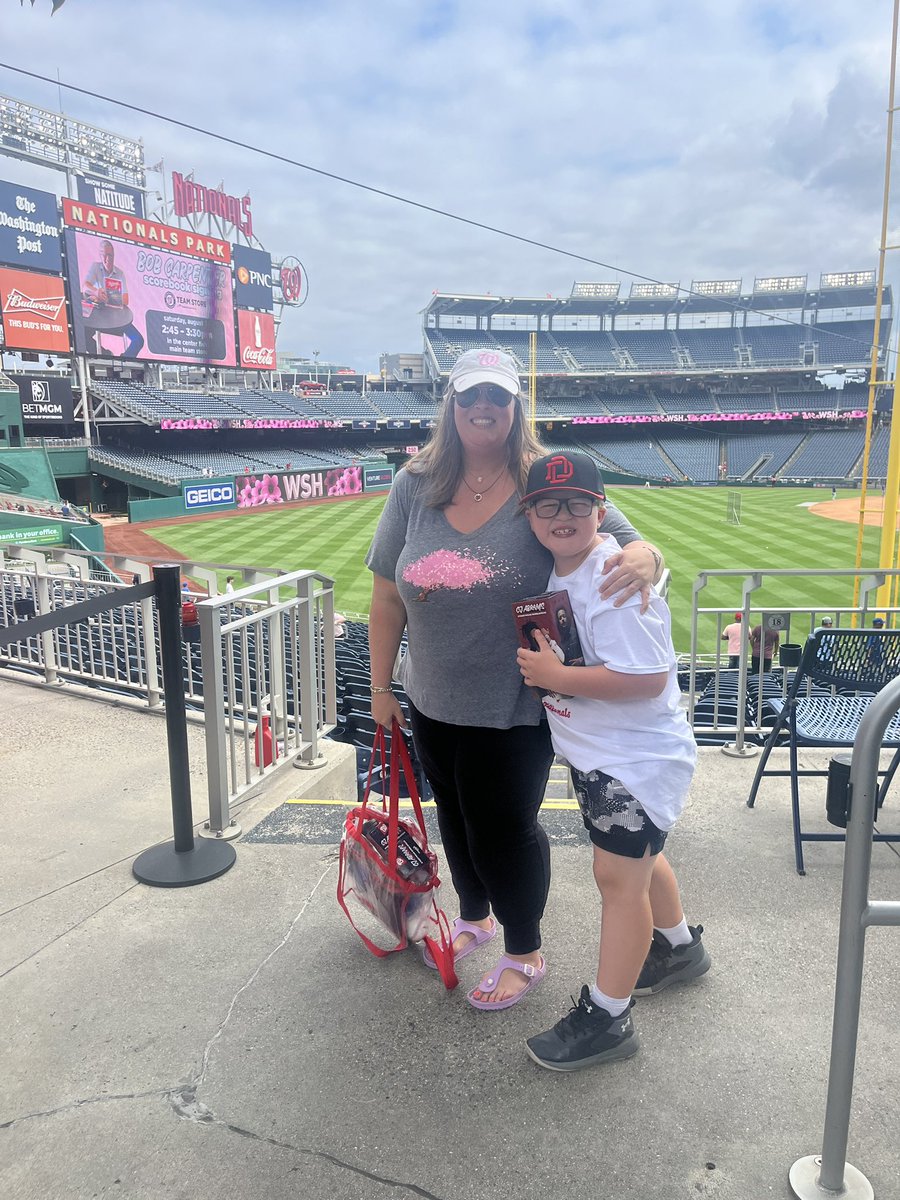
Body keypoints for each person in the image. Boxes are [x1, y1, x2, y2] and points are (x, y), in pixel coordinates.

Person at [365, 348, 665, 1010]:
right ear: (452, 403)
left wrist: (649, 555)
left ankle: (524, 953)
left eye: (497, 398)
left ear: (515, 405)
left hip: (514, 709)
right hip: (429, 698)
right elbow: (386, 596)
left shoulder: (541, 478)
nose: (483, 408)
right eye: (471, 396)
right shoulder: (414, 484)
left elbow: (626, 544)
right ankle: (475, 918)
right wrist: (383, 688)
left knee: (504, 831)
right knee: (457, 820)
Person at [512, 452, 706, 1069]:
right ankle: (678, 950)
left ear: (602, 510)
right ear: (530, 514)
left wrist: (557, 674)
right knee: (642, 862)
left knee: (618, 882)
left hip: (632, 759)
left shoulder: (611, 577)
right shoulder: (566, 571)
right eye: (548, 503)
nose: (562, 515)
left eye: (577, 504)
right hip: (607, 755)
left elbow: (647, 677)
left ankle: (610, 1018)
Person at [82, 239, 145, 359]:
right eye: (103, 255)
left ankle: (124, 360)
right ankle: (105, 356)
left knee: (138, 340)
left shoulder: (119, 273)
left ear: (113, 256)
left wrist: (111, 297)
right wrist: (96, 292)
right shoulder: (96, 267)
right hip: (98, 316)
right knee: (81, 334)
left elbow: (126, 300)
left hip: (117, 319)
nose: (106, 259)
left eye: (109, 255)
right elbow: (85, 286)